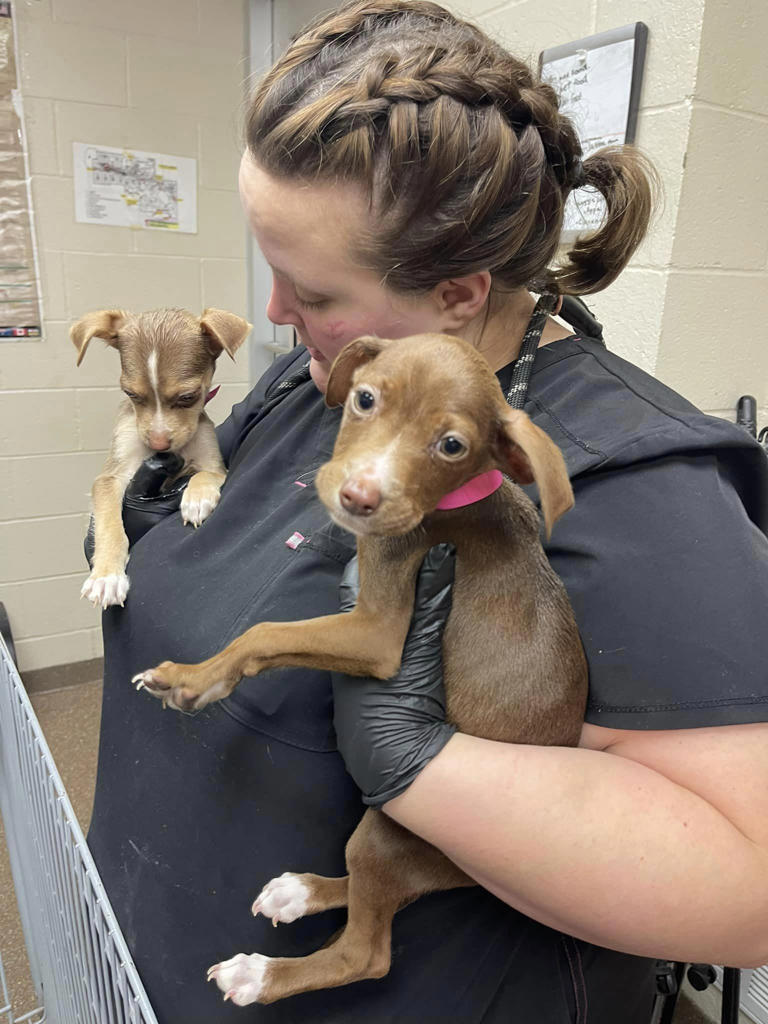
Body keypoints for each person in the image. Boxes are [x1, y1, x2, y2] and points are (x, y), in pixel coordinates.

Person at [86, 2, 768, 1022]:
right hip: (155, 954)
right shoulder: (327, 380)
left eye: (310, 290)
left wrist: (426, 766)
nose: (273, 314)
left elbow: (747, 889)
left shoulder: (641, 487)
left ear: (458, 291)